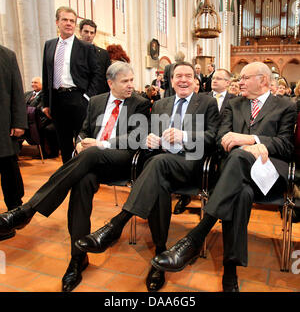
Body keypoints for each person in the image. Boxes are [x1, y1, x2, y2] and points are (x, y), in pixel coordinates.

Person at [0, 62, 151, 292]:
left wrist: (99, 144)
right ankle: (77, 257)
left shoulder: (140, 103)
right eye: (125, 81)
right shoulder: (97, 101)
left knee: (89, 156)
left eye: (132, 80)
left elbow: (136, 138)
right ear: (110, 83)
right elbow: (83, 130)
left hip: (120, 160)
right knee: (81, 182)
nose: (131, 85)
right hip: (89, 160)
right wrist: (81, 143)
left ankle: (28, 209)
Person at [74, 61, 220, 292]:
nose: (183, 80)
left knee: (156, 164)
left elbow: (212, 138)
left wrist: (183, 135)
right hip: (160, 163)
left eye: (188, 76)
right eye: (178, 76)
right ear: (171, 81)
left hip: (191, 163)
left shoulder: (207, 103)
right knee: (157, 176)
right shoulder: (161, 104)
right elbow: (148, 135)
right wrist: (151, 140)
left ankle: (117, 223)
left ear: (195, 81)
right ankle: (160, 257)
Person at [151, 62, 296, 292]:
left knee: (239, 156)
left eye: (246, 78)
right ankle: (230, 271)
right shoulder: (234, 104)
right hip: (235, 178)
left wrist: (252, 141)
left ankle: (197, 235)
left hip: (266, 174)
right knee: (240, 193)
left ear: (264, 81)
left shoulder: (285, 106)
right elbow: (219, 138)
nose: (240, 82)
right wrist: (241, 146)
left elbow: (286, 145)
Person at [42, 6, 101, 164]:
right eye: (65, 20)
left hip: (78, 98)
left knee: (82, 141)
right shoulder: (49, 45)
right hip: (57, 100)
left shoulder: (86, 47)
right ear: (57, 22)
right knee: (63, 141)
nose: (68, 23)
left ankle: (83, 172)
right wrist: (45, 103)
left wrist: (87, 97)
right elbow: (46, 74)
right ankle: (67, 172)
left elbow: (96, 75)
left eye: (72, 21)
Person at [174, 69, 235, 215]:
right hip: (200, 141)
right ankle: (185, 196)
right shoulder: (199, 98)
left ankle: (216, 200)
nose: (214, 80)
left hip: (222, 142)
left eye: (219, 78)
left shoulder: (234, 100)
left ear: (227, 82)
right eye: (213, 78)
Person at [0, 45, 27, 241]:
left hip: (3, 125)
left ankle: (14, 211)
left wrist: (19, 122)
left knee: (8, 168)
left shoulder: (7, 55)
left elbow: (17, 91)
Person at [24, 77, 59, 158]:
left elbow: (40, 108)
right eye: (32, 82)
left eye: (35, 82)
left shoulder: (46, 95)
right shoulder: (27, 94)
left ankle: (47, 152)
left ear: (42, 84)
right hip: (28, 119)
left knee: (44, 129)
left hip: (43, 119)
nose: (33, 84)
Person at [79, 19, 111, 94]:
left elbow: (108, 77)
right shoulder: (72, 51)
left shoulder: (104, 54)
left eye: (92, 32)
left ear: (95, 34)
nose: (89, 35)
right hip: (79, 97)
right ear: (80, 32)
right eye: (86, 32)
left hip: (98, 97)